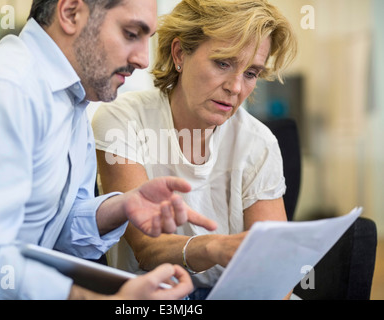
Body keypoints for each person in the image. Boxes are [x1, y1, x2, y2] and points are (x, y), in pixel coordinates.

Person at [0, 0, 217, 300]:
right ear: (70, 13)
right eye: (131, 33)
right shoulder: (1, 91)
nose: (142, 60)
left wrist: (120, 208)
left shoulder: (72, 104)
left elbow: (56, 232)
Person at [92, 0, 298, 299]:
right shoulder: (122, 120)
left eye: (251, 73)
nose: (236, 87)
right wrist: (214, 247)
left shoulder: (259, 142)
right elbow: (146, 250)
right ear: (179, 53)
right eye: (223, 63)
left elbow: (276, 278)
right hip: (152, 295)